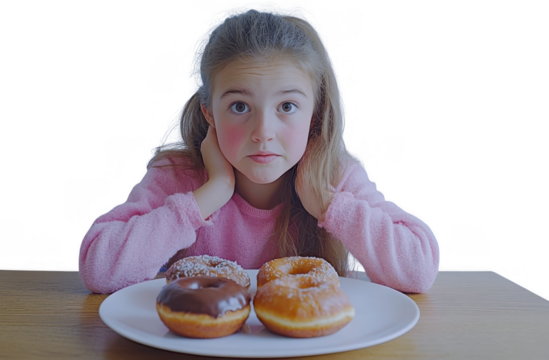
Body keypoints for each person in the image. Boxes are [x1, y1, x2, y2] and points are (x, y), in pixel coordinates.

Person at [78, 0, 440, 294]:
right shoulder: (181, 176)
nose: (263, 132)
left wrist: (329, 205)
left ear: (313, 114)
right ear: (210, 113)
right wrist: (209, 194)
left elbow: (419, 270)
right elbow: (98, 267)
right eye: (239, 107)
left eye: (287, 107)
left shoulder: (336, 176)